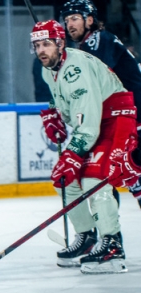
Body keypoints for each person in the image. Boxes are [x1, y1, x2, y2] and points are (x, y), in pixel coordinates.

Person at [32, 20, 133, 274]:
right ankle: (87, 237)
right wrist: (55, 115)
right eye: (37, 45)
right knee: (63, 180)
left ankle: (112, 245)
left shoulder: (77, 68)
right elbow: (65, 105)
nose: (41, 50)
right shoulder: (48, 70)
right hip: (94, 120)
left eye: (46, 44)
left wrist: (73, 154)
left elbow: (88, 125)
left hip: (115, 118)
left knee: (94, 179)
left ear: (60, 43)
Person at [62, 0, 141, 208]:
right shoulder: (87, 46)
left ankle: (110, 236)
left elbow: (94, 82)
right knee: (114, 173)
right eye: (67, 19)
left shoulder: (97, 40)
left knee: (115, 171)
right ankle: (110, 236)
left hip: (131, 115)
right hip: (122, 115)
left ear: (89, 20)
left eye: (75, 18)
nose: (70, 24)